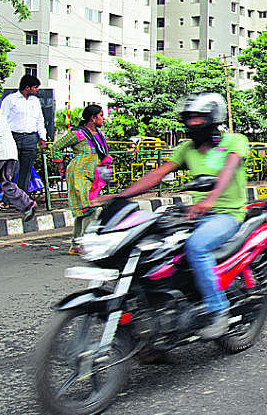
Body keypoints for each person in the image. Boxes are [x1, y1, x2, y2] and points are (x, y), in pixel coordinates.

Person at [99, 93, 248, 339]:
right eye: (189, 118)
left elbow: (228, 170)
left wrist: (210, 200)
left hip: (226, 215)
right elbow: (158, 174)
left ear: (213, 118)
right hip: (195, 214)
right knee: (151, 250)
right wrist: (120, 196)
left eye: (199, 118)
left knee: (197, 247)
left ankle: (218, 309)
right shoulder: (187, 149)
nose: (192, 123)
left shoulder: (234, 141)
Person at [51, 105, 112, 254]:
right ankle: (86, 243)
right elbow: (56, 147)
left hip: (92, 176)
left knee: (83, 211)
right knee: (91, 208)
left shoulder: (98, 135)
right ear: (93, 118)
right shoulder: (78, 133)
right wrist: (60, 166)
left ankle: (76, 245)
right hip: (78, 173)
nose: (103, 118)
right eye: (101, 115)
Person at [0, 73, 47, 195]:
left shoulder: (35, 101)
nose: (37, 90)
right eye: (35, 87)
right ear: (27, 88)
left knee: (26, 171)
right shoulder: (10, 100)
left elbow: (39, 119)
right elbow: (3, 120)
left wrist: (43, 137)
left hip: (31, 137)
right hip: (13, 137)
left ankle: (23, 197)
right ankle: (8, 198)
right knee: (12, 170)